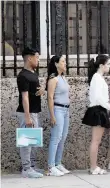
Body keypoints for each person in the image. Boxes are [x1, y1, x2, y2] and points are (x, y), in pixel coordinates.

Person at [16, 47, 45, 178]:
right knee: (26, 141)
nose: (38, 60)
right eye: (37, 57)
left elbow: (34, 91)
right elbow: (25, 97)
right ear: (29, 58)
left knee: (33, 141)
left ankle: (32, 166)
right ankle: (26, 168)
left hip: (34, 111)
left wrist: (41, 91)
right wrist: (27, 117)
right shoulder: (23, 76)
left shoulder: (33, 73)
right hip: (26, 113)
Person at [82, 54, 110, 175]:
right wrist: (108, 106)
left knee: (97, 140)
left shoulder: (98, 77)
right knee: (95, 140)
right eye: (108, 64)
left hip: (100, 109)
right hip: (98, 109)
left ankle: (94, 166)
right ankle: (93, 167)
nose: (109, 66)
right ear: (101, 65)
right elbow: (98, 96)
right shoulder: (96, 77)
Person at [46, 55, 71, 176]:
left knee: (63, 137)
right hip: (58, 110)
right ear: (56, 64)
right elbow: (50, 97)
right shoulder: (53, 78)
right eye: (63, 61)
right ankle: (51, 166)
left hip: (66, 110)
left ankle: (58, 163)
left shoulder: (63, 77)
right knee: (56, 138)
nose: (65, 63)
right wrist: (52, 115)